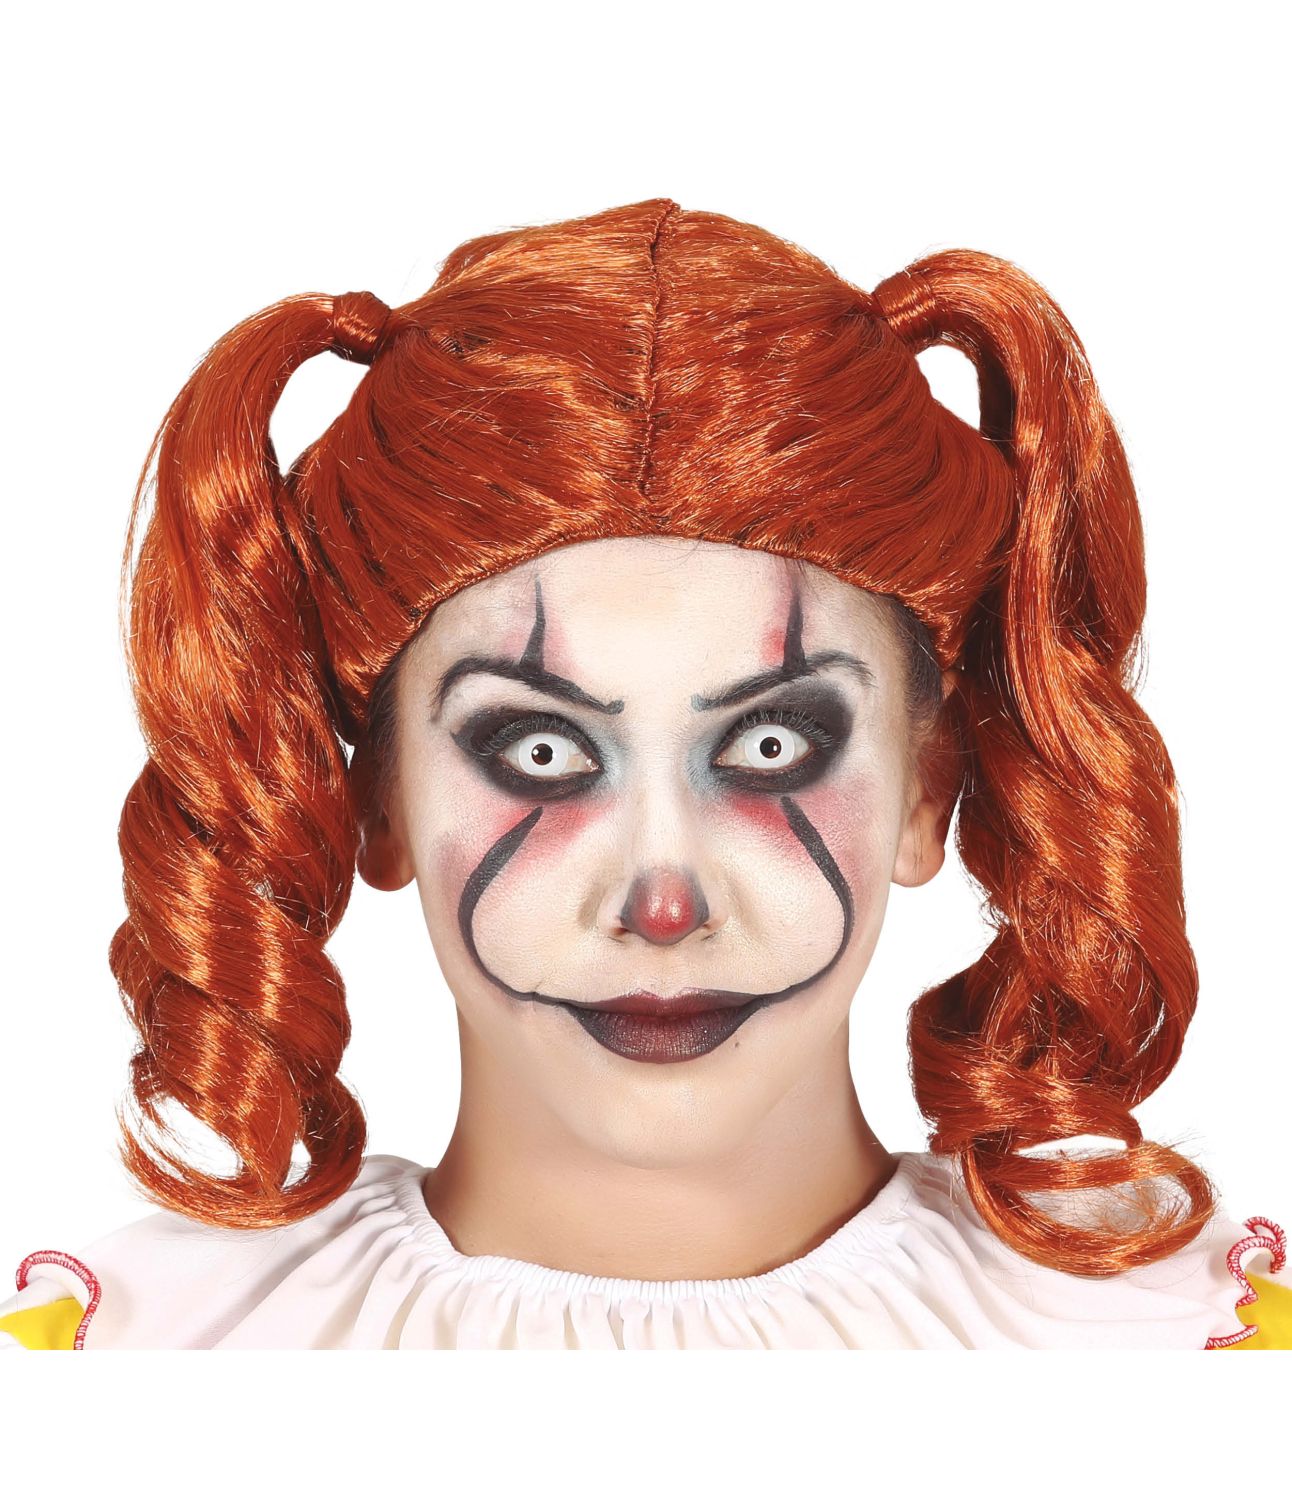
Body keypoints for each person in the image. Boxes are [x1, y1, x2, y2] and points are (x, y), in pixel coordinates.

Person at [1, 198, 1284, 1349]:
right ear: (374, 798)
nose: (662, 904)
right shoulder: (138, 1359)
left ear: (924, 788)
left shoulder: (1190, 1350)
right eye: (539, 753)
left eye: (773, 747)